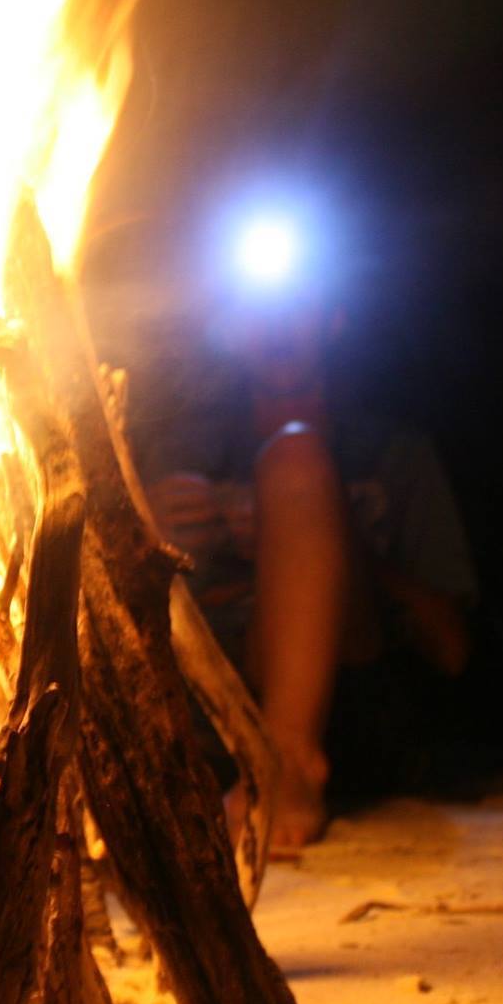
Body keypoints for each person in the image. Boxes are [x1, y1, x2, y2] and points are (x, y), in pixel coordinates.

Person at [138, 283, 479, 857]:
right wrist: (142, 531)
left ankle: (289, 764)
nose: (277, 326)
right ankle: (249, 765)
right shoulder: (181, 451)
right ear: (230, 330)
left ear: (332, 320)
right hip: (208, 710)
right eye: (257, 308)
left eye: (295, 304)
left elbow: (452, 651)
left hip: (355, 711)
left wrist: (329, 534)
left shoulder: (392, 454)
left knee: (296, 461)